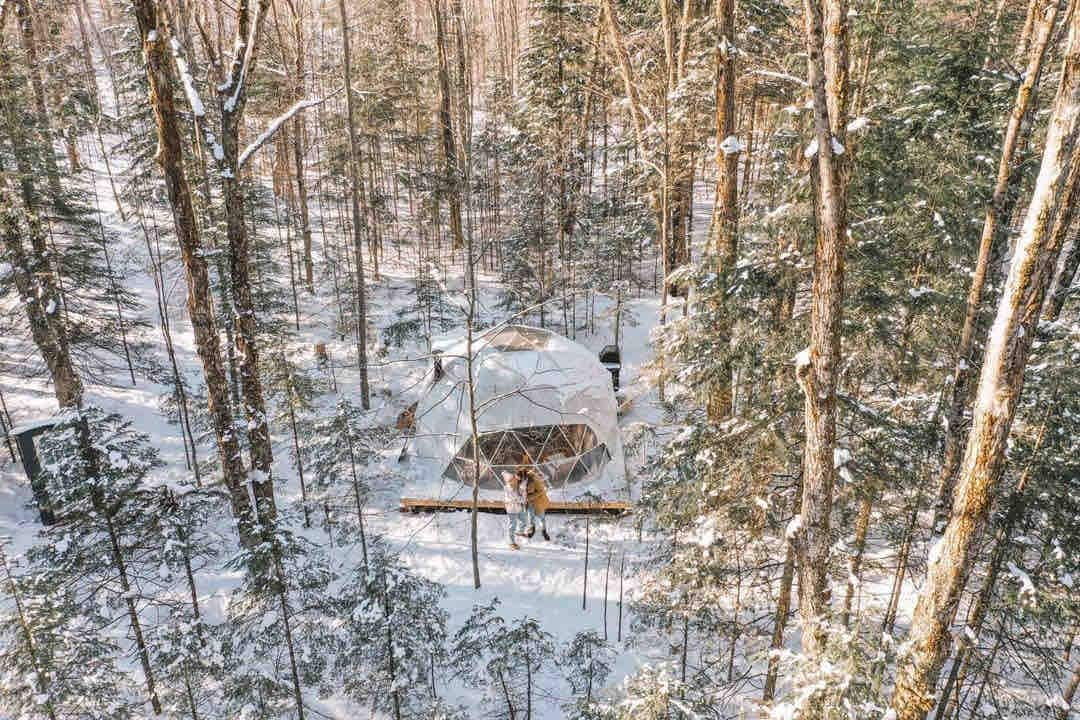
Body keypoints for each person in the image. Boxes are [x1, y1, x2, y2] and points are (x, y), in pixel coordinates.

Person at [522, 466, 551, 541]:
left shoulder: (534, 481)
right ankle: (532, 531)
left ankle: (543, 531)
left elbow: (540, 491)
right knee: (531, 518)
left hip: (538, 503)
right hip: (531, 503)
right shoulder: (526, 480)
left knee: (541, 518)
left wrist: (528, 497)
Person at [503, 471, 527, 550]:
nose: (516, 479)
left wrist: (523, 493)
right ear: (509, 480)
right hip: (512, 510)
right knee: (512, 526)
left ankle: (519, 532)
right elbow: (515, 498)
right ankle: (511, 542)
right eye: (513, 478)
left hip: (519, 508)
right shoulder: (507, 488)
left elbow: (523, 497)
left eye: (515, 478)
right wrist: (521, 498)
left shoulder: (518, 487)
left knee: (524, 521)